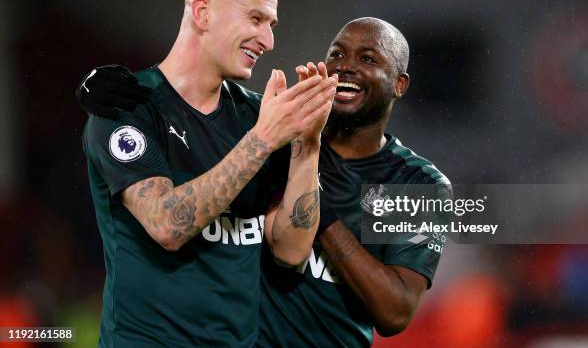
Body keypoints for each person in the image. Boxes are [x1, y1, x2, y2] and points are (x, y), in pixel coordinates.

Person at [78, 18, 450, 346]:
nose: (347, 67)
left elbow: (395, 313)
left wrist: (318, 204)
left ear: (399, 84)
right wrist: (105, 85)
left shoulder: (419, 184)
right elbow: (197, 108)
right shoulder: (271, 130)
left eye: (368, 59)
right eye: (337, 55)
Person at [78, 0, 336, 347]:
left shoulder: (257, 114)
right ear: (202, 13)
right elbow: (167, 225)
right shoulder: (127, 107)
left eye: (272, 25)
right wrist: (263, 139)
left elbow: (291, 252)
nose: (268, 40)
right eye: (255, 18)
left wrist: (306, 145)